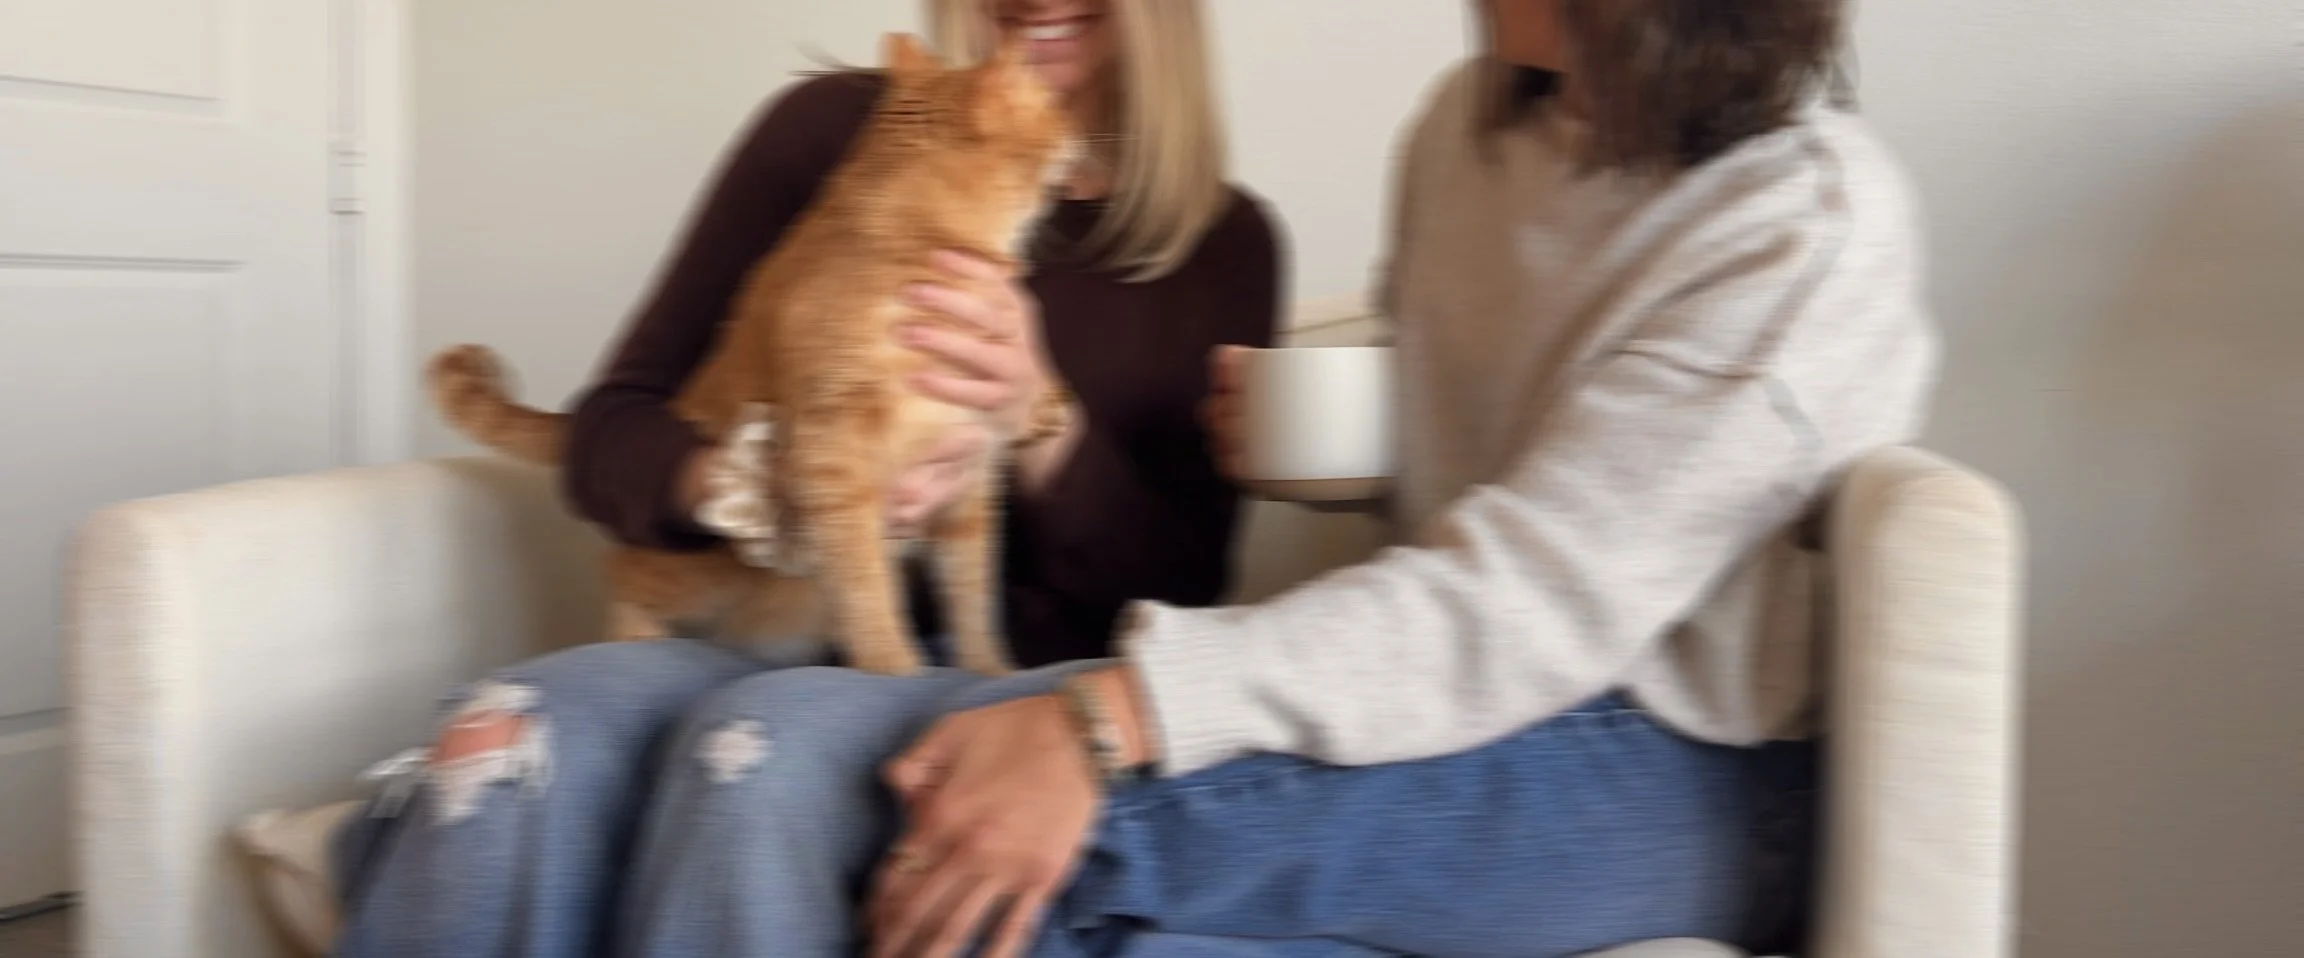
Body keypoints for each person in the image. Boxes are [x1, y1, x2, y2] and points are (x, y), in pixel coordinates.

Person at [594, 1, 1937, 956]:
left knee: (821, 783)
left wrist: (1101, 721)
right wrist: (1331, 447)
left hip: (1661, 750)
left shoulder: (1799, 225)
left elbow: (1526, 604)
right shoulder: (1471, 124)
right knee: (772, 762)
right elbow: (1497, 465)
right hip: (1473, 671)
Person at [331, 0, 1279, 954]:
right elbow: (611, 436)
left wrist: (1039, 421)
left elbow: (1185, 588)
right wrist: (755, 488)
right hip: (758, 608)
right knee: (498, 735)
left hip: (1014, 672)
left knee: (753, 753)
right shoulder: (836, 126)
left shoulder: (1225, 242)